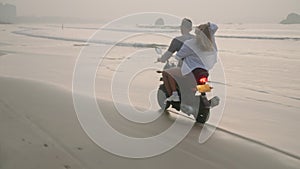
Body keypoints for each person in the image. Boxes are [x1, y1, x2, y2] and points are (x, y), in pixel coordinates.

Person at [159, 22, 219, 102]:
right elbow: (214, 27)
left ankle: (175, 95)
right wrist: (207, 26)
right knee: (203, 85)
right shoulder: (211, 45)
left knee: (166, 73)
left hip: (190, 71)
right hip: (203, 71)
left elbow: (178, 56)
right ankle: (203, 97)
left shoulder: (191, 43)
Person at [157, 18, 195, 100]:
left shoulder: (177, 40)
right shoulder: (197, 39)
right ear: (191, 29)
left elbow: (168, 54)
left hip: (185, 69)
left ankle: (174, 94)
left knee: (166, 72)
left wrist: (161, 59)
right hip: (198, 69)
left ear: (181, 27)